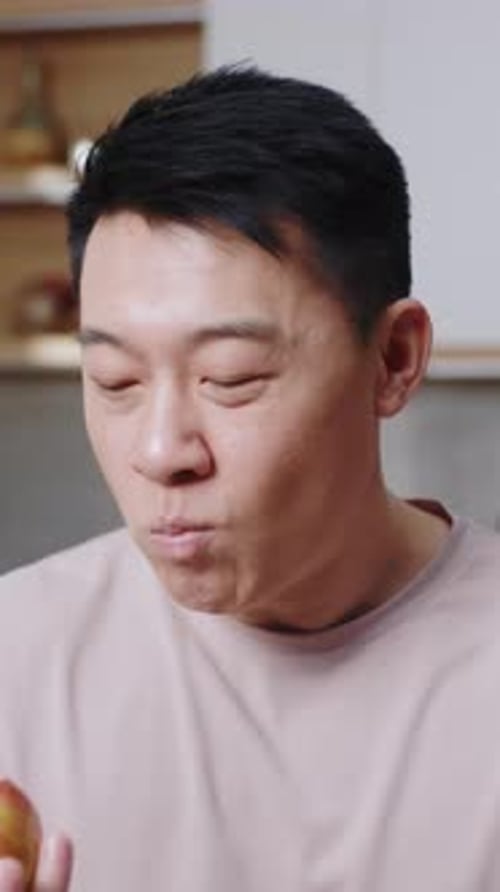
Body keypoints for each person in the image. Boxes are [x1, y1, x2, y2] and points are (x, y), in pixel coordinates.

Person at [1, 65, 500, 892]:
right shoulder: (16, 659)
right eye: (116, 382)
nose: (161, 450)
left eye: (230, 377)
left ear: (394, 359)